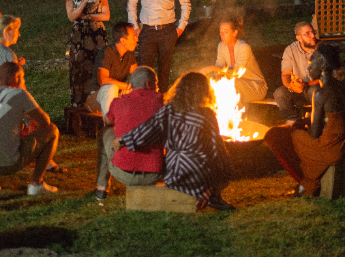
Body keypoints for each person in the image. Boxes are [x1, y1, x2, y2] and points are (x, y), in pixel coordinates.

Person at [113, 72, 234, 210]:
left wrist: (123, 140)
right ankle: (209, 195)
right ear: (204, 91)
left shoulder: (169, 110)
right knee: (216, 171)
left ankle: (195, 196)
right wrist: (225, 169)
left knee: (182, 174)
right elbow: (215, 147)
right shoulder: (207, 114)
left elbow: (147, 130)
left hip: (175, 173)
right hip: (200, 173)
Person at [264, 44, 345, 197]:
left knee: (278, 134)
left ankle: (306, 181)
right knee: (297, 130)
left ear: (321, 66)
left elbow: (314, 133)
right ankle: (307, 182)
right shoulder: (343, 87)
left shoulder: (320, 93)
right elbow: (335, 120)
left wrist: (302, 125)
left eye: (310, 65)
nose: (307, 70)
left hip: (331, 149)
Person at [0, 62, 60, 195]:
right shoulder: (19, 94)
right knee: (52, 130)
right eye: (23, 77)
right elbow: (45, 121)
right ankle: (36, 184)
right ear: (16, 77)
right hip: (7, 164)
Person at [127, 0, 191, 93]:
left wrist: (180, 27)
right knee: (144, 71)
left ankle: (161, 102)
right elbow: (132, 2)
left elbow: (186, 4)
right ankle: (143, 102)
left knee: (164, 70)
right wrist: (135, 26)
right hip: (147, 30)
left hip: (168, 30)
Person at [95, 66, 164, 200]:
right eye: (156, 83)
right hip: (155, 174)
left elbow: (107, 120)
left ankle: (101, 188)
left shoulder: (119, 101)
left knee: (104, 131)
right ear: (149, 84)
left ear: (131, 85)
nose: (157, 87)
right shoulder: (159, 100)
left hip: (123, 173)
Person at [65, 0, 110, 107]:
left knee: (98, 67)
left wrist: (88, 17)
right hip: (80, 36)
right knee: (80, 69)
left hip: (97, 34)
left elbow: (106, 15)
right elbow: (72, 16)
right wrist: (85, 0)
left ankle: (99, 103)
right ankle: (80, 104)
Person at [201, 17, 267, 106]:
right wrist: (219, 75)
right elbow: (219, 67)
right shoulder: (221, 46)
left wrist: (212, 68)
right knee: (217, 86)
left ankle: (236, 117)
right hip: (235, 83)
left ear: (234, 33)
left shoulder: (244, 47)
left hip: (256, 86)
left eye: (226, 32)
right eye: (220, 32)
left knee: (230, 85)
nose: (222, 35)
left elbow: (236, 72)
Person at [85, 22, 138, 118]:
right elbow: (103, 80)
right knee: (111, 88)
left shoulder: (129, 54)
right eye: (133, 37)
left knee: (138, 90)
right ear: (123, 40)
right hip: (97, 97)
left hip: (118, 94)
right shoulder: (106, 52)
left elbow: (137, 76)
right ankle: (110, 127)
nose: (136, 39)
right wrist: (127, 86)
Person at [273, 22, 319, 125]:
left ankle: (316, 119)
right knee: (279, 93)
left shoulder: (321, 49)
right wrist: (291, 86)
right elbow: (285, 75)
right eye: (307, 34)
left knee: (315, 91)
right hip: (298, 90)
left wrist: (307, 84)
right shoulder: (290, 50)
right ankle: (294, 119)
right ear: (299, 38)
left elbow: (327, 77)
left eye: (313, 32)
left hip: (315, 88)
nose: (312, 36)